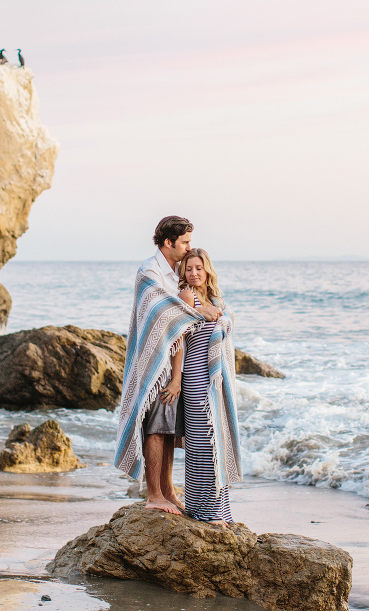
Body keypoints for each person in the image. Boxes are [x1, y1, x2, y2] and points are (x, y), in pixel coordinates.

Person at [114, 216, 222, 515]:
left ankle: (168, 492)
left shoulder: (176, 272)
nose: (188, 247)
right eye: (184, 242)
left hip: (172, 362)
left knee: (169, 429)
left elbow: (182, 311)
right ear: (168, 242)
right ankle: (153, 495)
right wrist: (200, 310)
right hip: (154, 362)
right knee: (155, 429)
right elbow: (166, 311)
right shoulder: (149, 271)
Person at [177, 248, 242, 527]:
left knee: (218, 439)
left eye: (198, 268)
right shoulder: (185, 296)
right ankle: (205, 509)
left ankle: (220, 510)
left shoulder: (216, 299)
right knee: (203, 443)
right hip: (195, 374)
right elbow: (178, 335)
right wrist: (177, 379)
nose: (193, 273)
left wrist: (212, 312)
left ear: (207, 271)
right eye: (189, 268)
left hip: (215, 377)